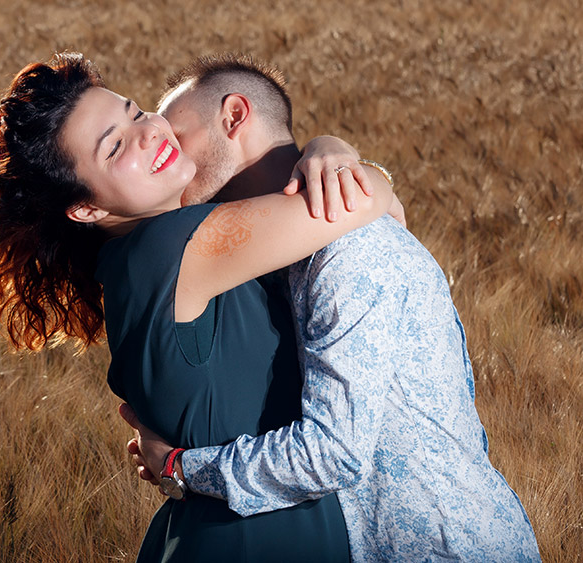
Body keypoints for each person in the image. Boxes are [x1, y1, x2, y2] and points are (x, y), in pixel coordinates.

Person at [0, 52, 397, 561]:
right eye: (114, 148)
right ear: (87, 208)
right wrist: (331, 152)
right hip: (256, 543)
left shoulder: (135, 262)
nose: (148, 134)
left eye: (134, 112)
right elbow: (367, 200)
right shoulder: (169, 247)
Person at [120, 54, 541, 561]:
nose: (168, 152)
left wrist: (183, 468)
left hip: (444, 546)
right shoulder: (286, 251)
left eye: (177, 134)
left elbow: (333, 453)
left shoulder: (348, 248)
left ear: (233, 116)